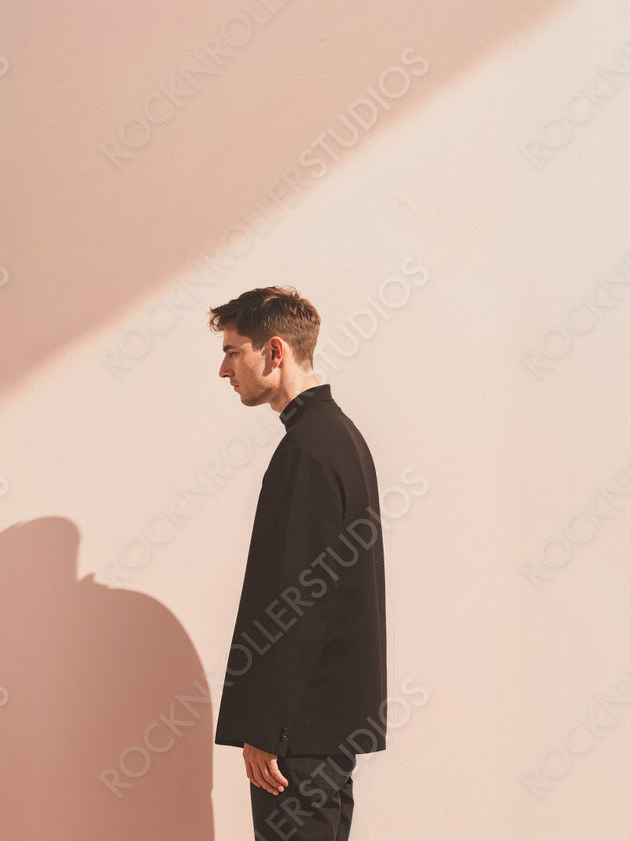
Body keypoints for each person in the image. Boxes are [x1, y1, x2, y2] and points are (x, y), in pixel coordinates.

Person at [207, 286, 387, 841]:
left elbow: (298, 598)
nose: (223, 369)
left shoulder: (308, 450)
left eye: (234, 351)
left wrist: (267, 728)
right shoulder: (338, 437)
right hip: (322, 731)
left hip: (299, 738)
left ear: (275, 351)